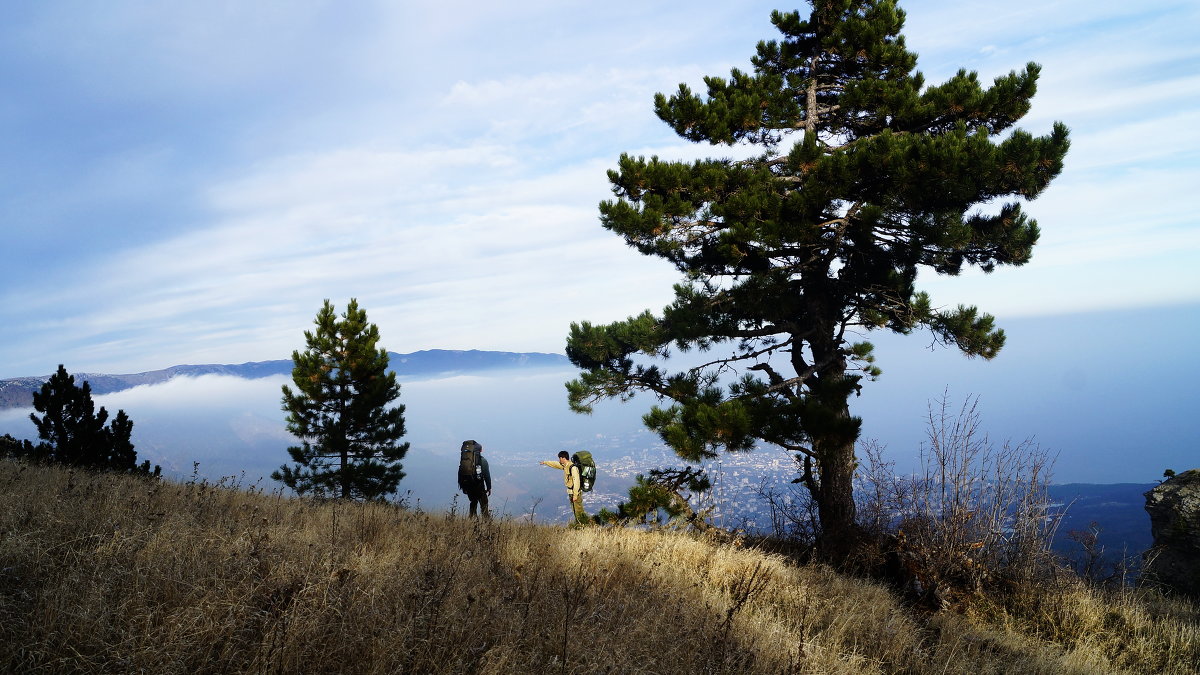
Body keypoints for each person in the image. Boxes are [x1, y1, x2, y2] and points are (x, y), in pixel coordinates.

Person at [540, 450, 587, 525]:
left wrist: (575, 494)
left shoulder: (573, 468)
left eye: (560, 458)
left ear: (563, 458)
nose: (559, 460)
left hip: (575, 493)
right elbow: (555, 464)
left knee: (578, 511)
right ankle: (579, 524)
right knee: (575, 510)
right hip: (571, 492)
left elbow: (576, 481)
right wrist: (545, 462)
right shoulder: (565, 466)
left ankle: (583, 525)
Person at [460, 440, 492, 518]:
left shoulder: (465, 461)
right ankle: (486, 522)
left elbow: (461, 472)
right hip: (479, 486)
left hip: (468, 485)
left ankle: (473, 522)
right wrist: (489, 487)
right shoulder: (482, 461)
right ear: (480, 450)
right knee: (484, 505)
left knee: (473, 503)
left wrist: (463, 486)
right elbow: (487, 475)